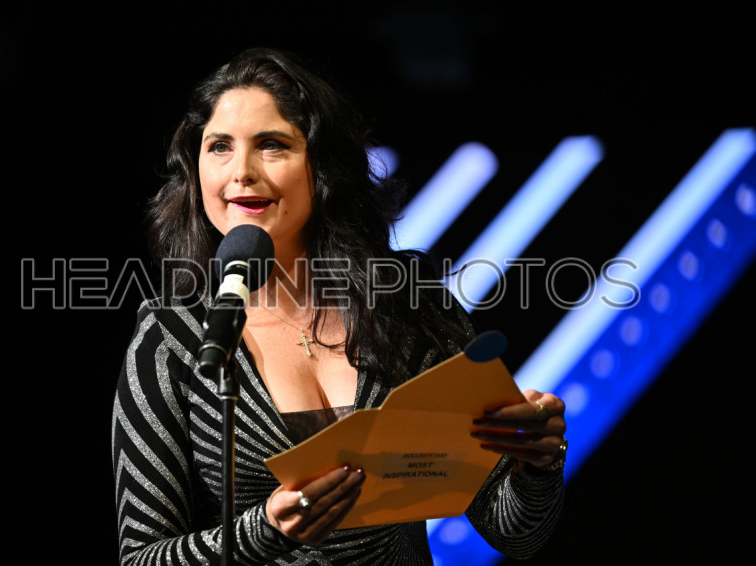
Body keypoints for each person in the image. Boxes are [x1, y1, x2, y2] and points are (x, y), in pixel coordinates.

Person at [111, 46, 568, 565]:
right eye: (219, 147)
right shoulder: (171, 338)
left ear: (323, 166)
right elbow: (141, 557)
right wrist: (265, 532)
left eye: (271, 145)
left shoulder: (408, 303)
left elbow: (514, 533)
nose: (241, 172)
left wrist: (538, 462)